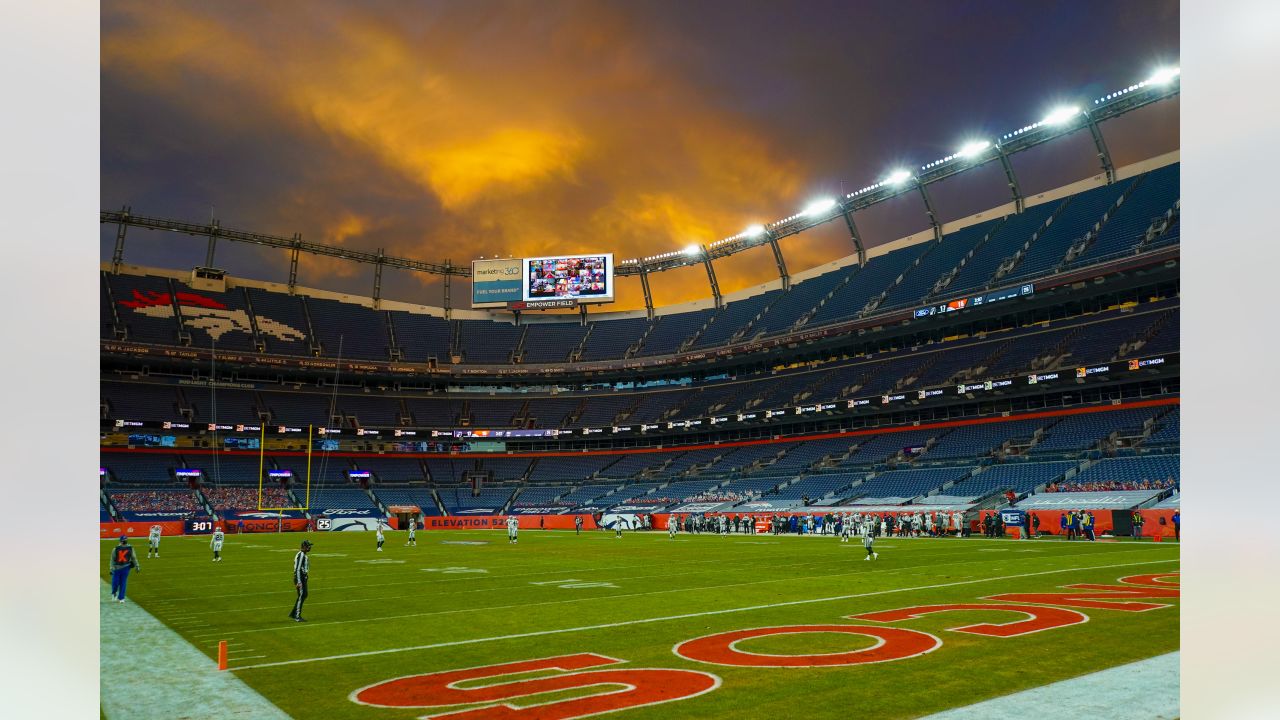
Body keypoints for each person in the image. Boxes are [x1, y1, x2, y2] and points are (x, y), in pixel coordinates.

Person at [109, 536, 140, 604]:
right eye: (124, 540)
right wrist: (111, 568)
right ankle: (114, 592)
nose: (125, 541)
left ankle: (121, 598)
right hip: (116, 568)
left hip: (126, 567)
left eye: (126, 539)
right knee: (115, 583)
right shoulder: (115, 549)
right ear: (121, 541)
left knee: (123, 583)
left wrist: (137, 565)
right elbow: (112, 559)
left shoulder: (130, 548)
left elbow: (134, 557)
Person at [289, 539, 311, 622]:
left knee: (304, 595)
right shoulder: (301, 555)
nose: (309, 547)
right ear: (304, 546)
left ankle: (294, 613)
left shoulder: (303, 555)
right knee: (302, 595)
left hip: (302, 577)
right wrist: (299, 581)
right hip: (300, 578)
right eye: (308, 546)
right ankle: (297, 616)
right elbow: (298, 569)